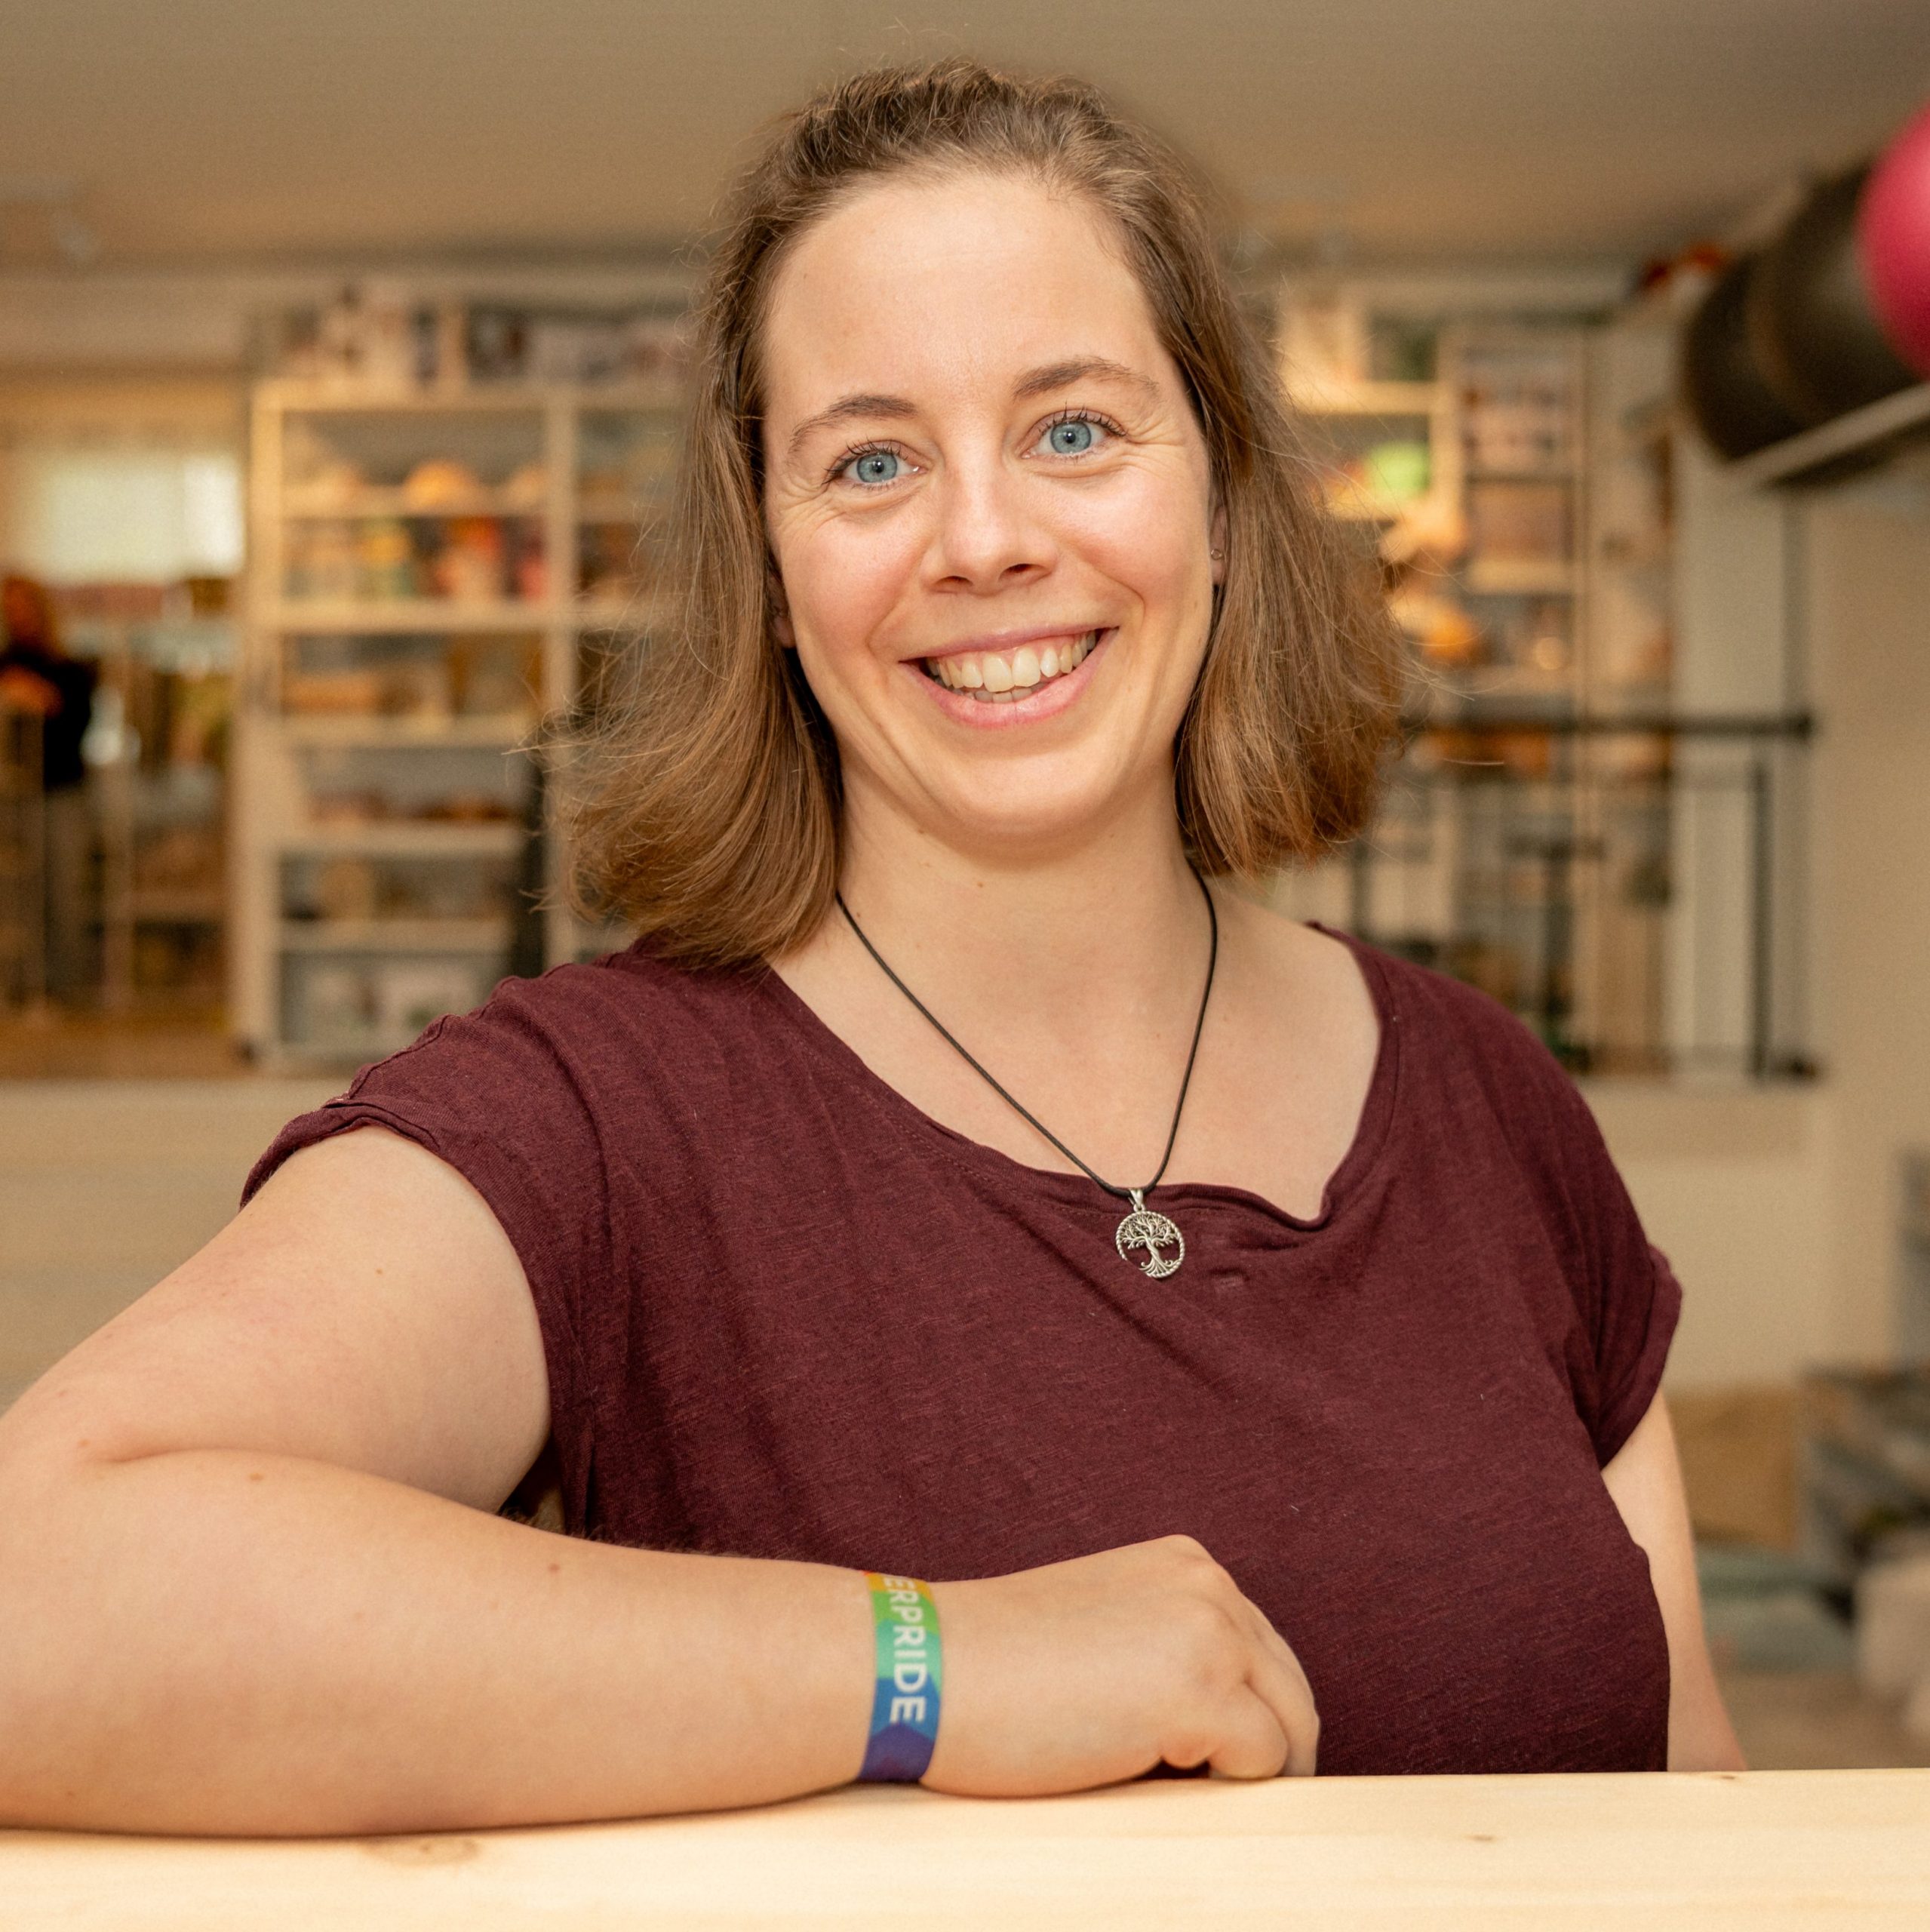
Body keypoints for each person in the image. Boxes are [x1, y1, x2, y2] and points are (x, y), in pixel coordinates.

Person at [0, 60, 1742, 1838]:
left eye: (1075, 429)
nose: (983, 540)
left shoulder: (1488, 1095)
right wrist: (928, 1664)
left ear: (1222, 499)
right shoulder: (601, 1120)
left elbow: (1703, 1804)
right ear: (768, 569)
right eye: (873, 460)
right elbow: (34, 1592)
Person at [0, 573, 97, 1003]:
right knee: (21, 893)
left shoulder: (69, 671)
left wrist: (43, 699)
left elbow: (78, 728)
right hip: (15, 796)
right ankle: (22, 984)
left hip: (61, 792)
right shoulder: (5, 667)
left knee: (65, 891)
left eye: (24, 606)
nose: (18, 615)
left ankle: (66, 987)